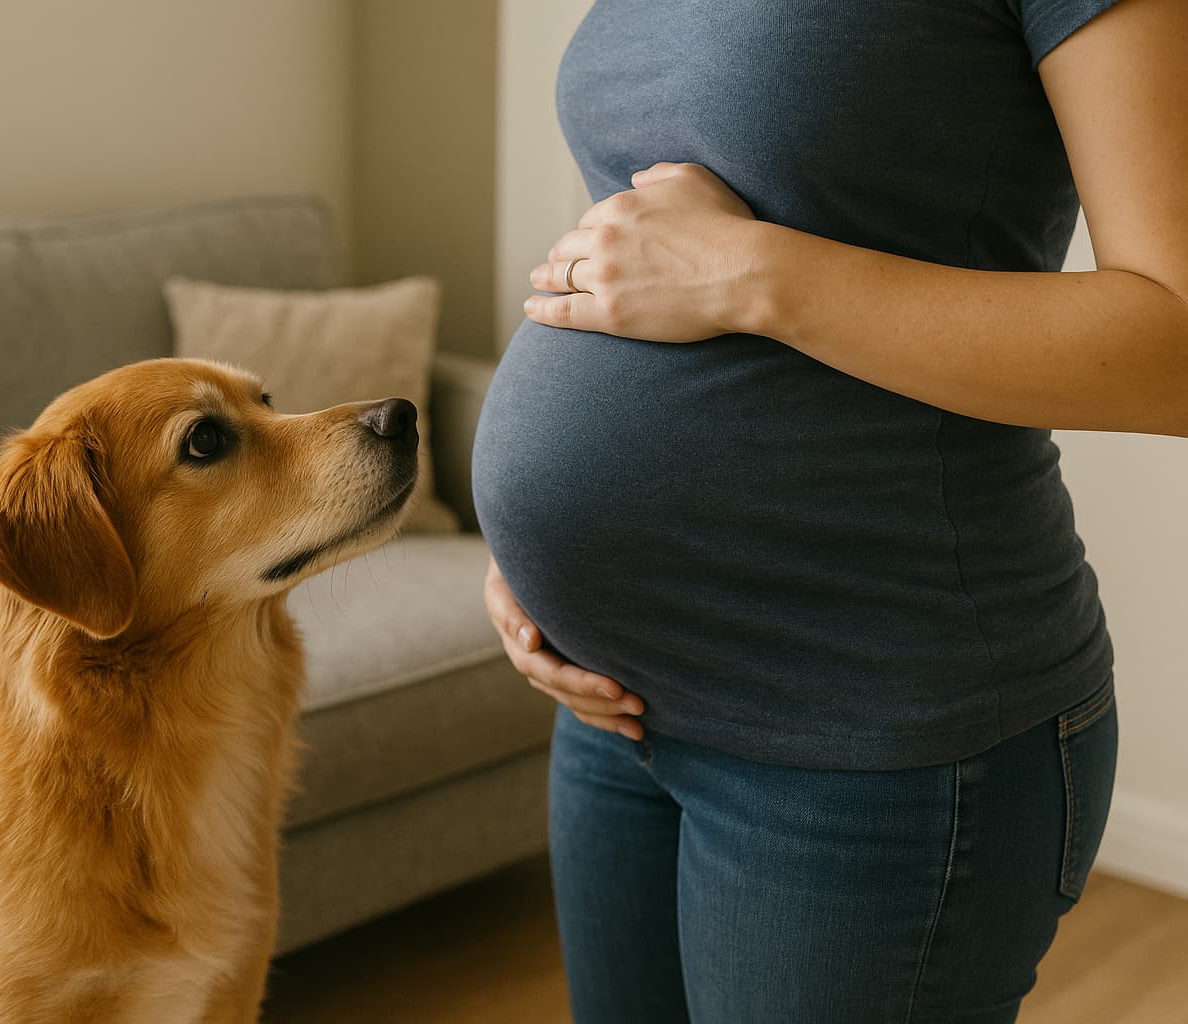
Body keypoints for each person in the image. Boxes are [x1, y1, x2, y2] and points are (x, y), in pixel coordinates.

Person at [470, 0, 1186, 1020]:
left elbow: (1177, 340)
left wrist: (752, 274)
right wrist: (538, 558)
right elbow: (640, 235)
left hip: (864, 735)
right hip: (614, 705)